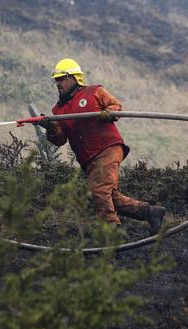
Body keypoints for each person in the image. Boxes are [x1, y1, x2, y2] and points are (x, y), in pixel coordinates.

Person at [38, 58, 167, 235]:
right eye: (56, 80)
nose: (58, 83)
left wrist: (109, 113)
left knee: (99, 190)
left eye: (62, 78)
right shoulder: (58, 111)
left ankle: (112, 232)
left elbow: (116, 106)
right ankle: (151, 213)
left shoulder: (94, 92)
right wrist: (51, 127)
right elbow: (60, 139)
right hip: (89, 159)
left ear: (75, 78)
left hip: (107, 149)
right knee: (107, 196)